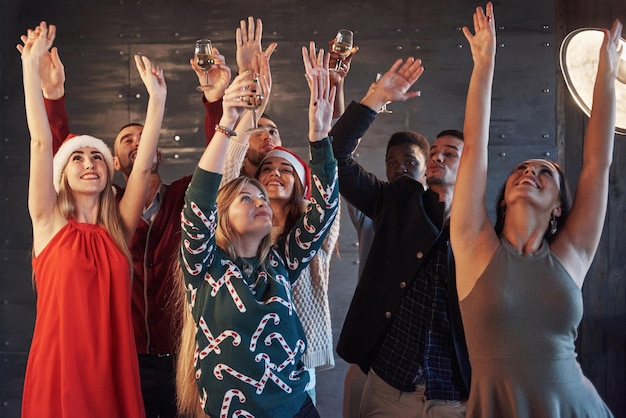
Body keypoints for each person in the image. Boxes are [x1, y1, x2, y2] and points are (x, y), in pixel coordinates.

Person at [450, 3, 620, 416]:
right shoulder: (474, 246)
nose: (529, 172)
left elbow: (598, 164)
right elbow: (474, 148)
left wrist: (607, 73)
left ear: (559, 206)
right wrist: (484, 65)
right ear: (504, 195)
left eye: (544, 171)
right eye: (521, 169)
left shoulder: (571, 255)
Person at [175, 54, 339, 417]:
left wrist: (319, 137)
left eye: (261, 197)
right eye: (245, 197)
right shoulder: (204, 266)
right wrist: (228, 122)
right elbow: (198, 200)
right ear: (223, 216)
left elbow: (324, 210)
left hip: (297, 408)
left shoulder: (282, 263)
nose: (260, 202)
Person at [19, 21, 166, 418]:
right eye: (78, 158)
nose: (88, 164)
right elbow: (40, 140)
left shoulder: (117, 229)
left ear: (108, 171)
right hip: (60, 368)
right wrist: (31, 69)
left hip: (114, 370)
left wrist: (157, 100)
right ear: (62, 174)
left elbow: (142, 165)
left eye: (97, 156)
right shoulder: (47, 222)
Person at [329, 55, 471, 415]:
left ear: (473, 165)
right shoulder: (399, 201)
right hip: (390, 383)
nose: (438, 157)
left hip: (453, 393)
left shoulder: (482, 230)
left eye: (450, 153)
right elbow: (333, 158)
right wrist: (375, 98)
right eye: (434, 151)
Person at [342, 129, 431, 418]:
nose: (399, 167)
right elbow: (341, 160)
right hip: (371, 347)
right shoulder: (374, 206)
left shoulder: (438, 219)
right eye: (391, 162)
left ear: (427, 169)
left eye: (409, 161)